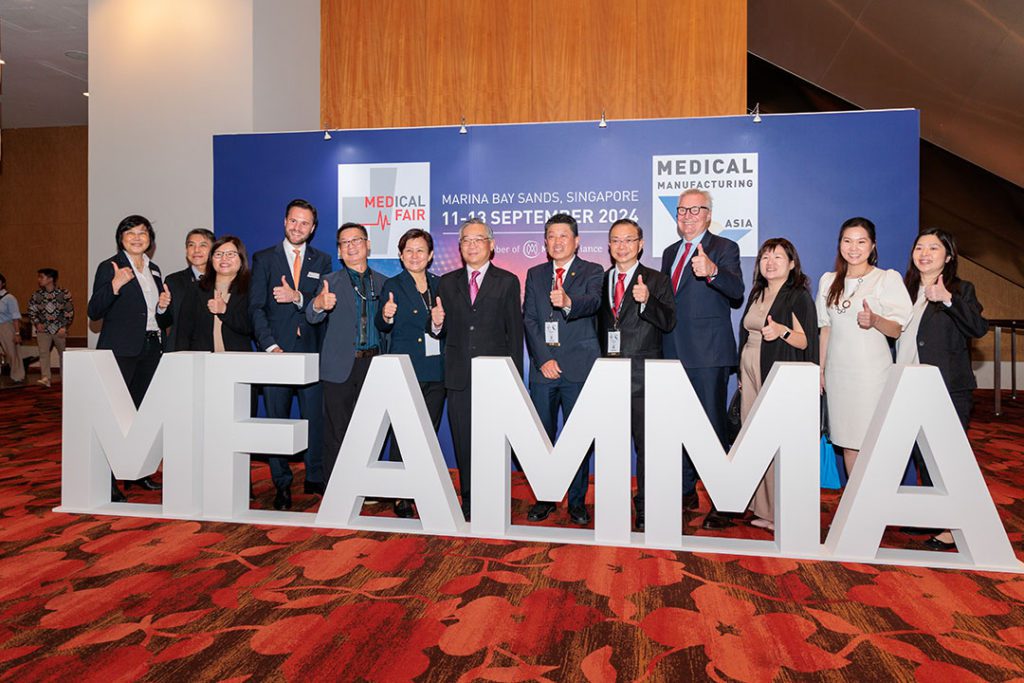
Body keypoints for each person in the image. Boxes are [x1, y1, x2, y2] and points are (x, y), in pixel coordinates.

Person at [896, 228, 987, 551]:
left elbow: (978, 327)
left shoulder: (961, 289)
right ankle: (934, 515)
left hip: (947, 387)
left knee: (947, 457)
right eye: (919, 247)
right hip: (907, 385)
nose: (924, 253)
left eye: (933, 248)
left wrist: (946, 300)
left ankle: (954, 527)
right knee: (922, 455)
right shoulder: (905, 290)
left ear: (948, 256)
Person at [660, 189, 745, 531]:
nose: (688, 216)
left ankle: (723, 501)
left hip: (708, 354)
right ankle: (685, 491)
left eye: (697, 210)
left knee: (710, 428)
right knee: (678, 426)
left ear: (709, 215)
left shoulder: (725, 248)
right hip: (672, 352)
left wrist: (712, 271)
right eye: (682, 210)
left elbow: (737, 292)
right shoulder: (668, 253)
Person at [430, 218, 524, 521]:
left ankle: (494, 495)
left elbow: (515, 333)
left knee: (494, 442)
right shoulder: (445, 282)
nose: (471, 245)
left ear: (491, 245)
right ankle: (469, 498)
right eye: (466, 240)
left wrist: (514, 379)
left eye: (478, 239)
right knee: (463, 441)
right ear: (459, 247)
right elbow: (439, 332)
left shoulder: (508, 281)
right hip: (458, 376)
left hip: (496, 376)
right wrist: (436, 324)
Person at [249, 199, 332, 510]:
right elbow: (256, 307)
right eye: (294, 221)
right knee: (277, 422)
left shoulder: (322, 260)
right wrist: (270, 345)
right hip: (276, 355)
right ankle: (281, 483)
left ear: (312, 229)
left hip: (311, 352)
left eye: (305, 223)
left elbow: (321, 302)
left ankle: (314, 476)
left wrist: (297, 296)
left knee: (314, 419)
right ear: (285, 222)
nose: (298, 227)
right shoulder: (264, 259)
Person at [816, 217, 913, 478]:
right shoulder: (828, 281)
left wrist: (875, 320)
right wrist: (821, 370)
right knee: (848, 440)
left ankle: (876, 504)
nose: (854, 248)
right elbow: (825, 329)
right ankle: (856, 507)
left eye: (861, 242)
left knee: (872, 440)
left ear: (873, 246)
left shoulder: (886, 279)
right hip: (838, 374)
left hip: (872, 374)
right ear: (840, 245)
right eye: (847, 241)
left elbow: (897, 328)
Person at [522, 213, 603, 526]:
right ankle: (545, 498)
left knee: (577, 438)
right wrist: (542, 358)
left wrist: (568, 301)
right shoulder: (535, 273)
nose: (557, 241)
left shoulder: (593, 271)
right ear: (545, 241)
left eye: (563, 236)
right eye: (551, 236)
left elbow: (593, 303)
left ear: (577, 241)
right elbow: (529, 318)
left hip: (579, 368)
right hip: (544, 368)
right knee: (541, 436)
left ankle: (577, 501)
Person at [597, 218, 675, 531]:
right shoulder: (601, 280)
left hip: (644, 377)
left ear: (640, 244)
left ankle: (644, 507)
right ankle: (613, 505)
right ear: (609, 245)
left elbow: (669, 322)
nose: (622, 246)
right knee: (612, 448)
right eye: (616, 240)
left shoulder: (656, 280)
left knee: (646, 449)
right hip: (610, 378)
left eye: (629, 240)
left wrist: (647, 303)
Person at [87, 215, 172, 501]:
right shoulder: (110, 267)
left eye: (143, 233)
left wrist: (162, 308)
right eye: (130, 232)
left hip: (150, 349)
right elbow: (94, 311)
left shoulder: (155, 269)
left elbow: (158, 317)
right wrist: (114, 286)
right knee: (115, 417)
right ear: (120, 237)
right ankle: (108, 479)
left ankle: (138, 472)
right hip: (120, 351)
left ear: (150, 239)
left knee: (141, 416)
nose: (137, 237)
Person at [737, 238, 818, 532]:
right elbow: (746, 333)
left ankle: (779, 512)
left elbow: (806, 340)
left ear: (792, 264)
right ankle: (762, 506)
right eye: (766, 258)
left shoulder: (797, 296)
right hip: (749, 370)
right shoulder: (758, 293)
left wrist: (782, 331)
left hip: (774, 369)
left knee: (773, 439)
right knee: (753, 439)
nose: (770, 263)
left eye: (778, 258)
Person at [307, 222, 388, 489]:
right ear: (340, 251)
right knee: (336, 431)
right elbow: (311, 314)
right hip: (340, 366)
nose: (351, 246)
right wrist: (319, 305)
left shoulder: (384, 283)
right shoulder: (329, 282)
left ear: (368, 245)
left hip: (374, 365)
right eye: (345, 242)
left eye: (357, 240)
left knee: (370, 430)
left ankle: (365, 486)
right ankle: (335, 489)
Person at [374, 229, 445, 518]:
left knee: (427, 433)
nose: (415, 256)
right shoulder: (392, 285)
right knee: (402, 432)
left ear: (430, 255)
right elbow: (383, 325)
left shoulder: (442, 285)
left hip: (437, 370)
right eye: (409, 250)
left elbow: (443, 329)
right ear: (401, 256)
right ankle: (401, 494)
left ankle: (425, 487)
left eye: (420, 250)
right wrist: (387, 315)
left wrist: (439, 325)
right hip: (404, 368)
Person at [175, 236, 253, 352]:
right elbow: (183, 332)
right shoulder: (196, 289)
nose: (224, 258)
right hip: (202, 361)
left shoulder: (251, 289)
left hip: (237, 360)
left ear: (241, 259)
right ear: (211, 260)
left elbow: (251, 327)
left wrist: (225, 311)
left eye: (230, 254)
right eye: (218, 254)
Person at [163, 228, 214, 352]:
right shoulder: (173, 280)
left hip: (214, 350)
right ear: (186, 250)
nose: (196, 250)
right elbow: (165, 322)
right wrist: (162, 308)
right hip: (181, 350)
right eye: (191, 245)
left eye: (203, 245)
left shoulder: (222, 280)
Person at [27, 268, 75, 387]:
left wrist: (64, 326)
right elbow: (31, 310)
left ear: (50, 279)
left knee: (63, 354)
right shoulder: (37, 295)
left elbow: (69, 311)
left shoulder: (63, 294)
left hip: (59, 330)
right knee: (43, 353)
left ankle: (65, 379)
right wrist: (37, 323)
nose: (39, 280)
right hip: (43, 330)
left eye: (41, 277)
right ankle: (46, 378)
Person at [0, 273, 26, 385]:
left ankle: (17, 376)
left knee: (12, 352)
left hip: (6, 326)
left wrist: (17, 333)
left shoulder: (9, 298)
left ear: (3, 283)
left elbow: (15, 317)